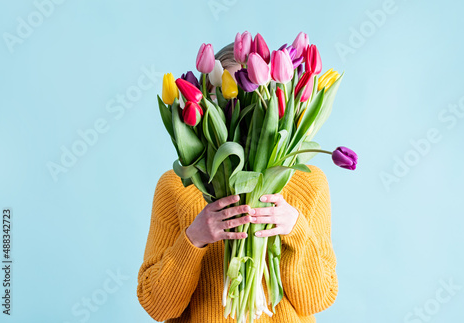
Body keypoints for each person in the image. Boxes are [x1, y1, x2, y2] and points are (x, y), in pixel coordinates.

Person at [137, 43, 338, 322]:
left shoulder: (309, 182)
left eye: (251, 98)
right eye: (226, 98)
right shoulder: (176, 184)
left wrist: (296, 231)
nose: (241, 111)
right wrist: (194, 238)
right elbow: (157, 307)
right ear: (208, 104)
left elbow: (319, 298)